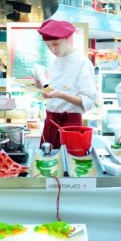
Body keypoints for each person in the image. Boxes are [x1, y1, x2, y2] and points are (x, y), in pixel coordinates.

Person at [35, 20, 98, 149]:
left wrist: (60, 95)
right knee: (48, 160)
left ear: (68, 38)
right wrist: (41, 86)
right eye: (48, 45)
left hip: (70, 124)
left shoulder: (82, 63)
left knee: (69, 160)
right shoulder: (55, 62)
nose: (52, 49)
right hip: (51, 122)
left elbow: (88, 101)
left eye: (56, 44)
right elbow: (53, 88)